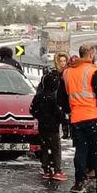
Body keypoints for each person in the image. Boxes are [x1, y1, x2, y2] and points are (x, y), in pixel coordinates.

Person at [57, 44, 97, 193]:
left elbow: (61, 98)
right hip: (94, 117)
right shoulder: (94, 71)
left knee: (81, 151)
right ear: (91, 54)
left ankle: (79, 182)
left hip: (77, 119)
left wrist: (70, 110)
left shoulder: (67, 72)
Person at [30, 52, 69, 181]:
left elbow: (32, 109)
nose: (63, 63)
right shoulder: (53, 97)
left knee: (45, 147)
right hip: (52, 126)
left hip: (43, 125)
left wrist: (39, 116)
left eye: (65, 61)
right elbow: (58, 112)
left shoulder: (40, 96)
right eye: (61, 61)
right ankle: (57, 169)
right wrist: (62, 121)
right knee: (55, 147)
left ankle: (46, 168)